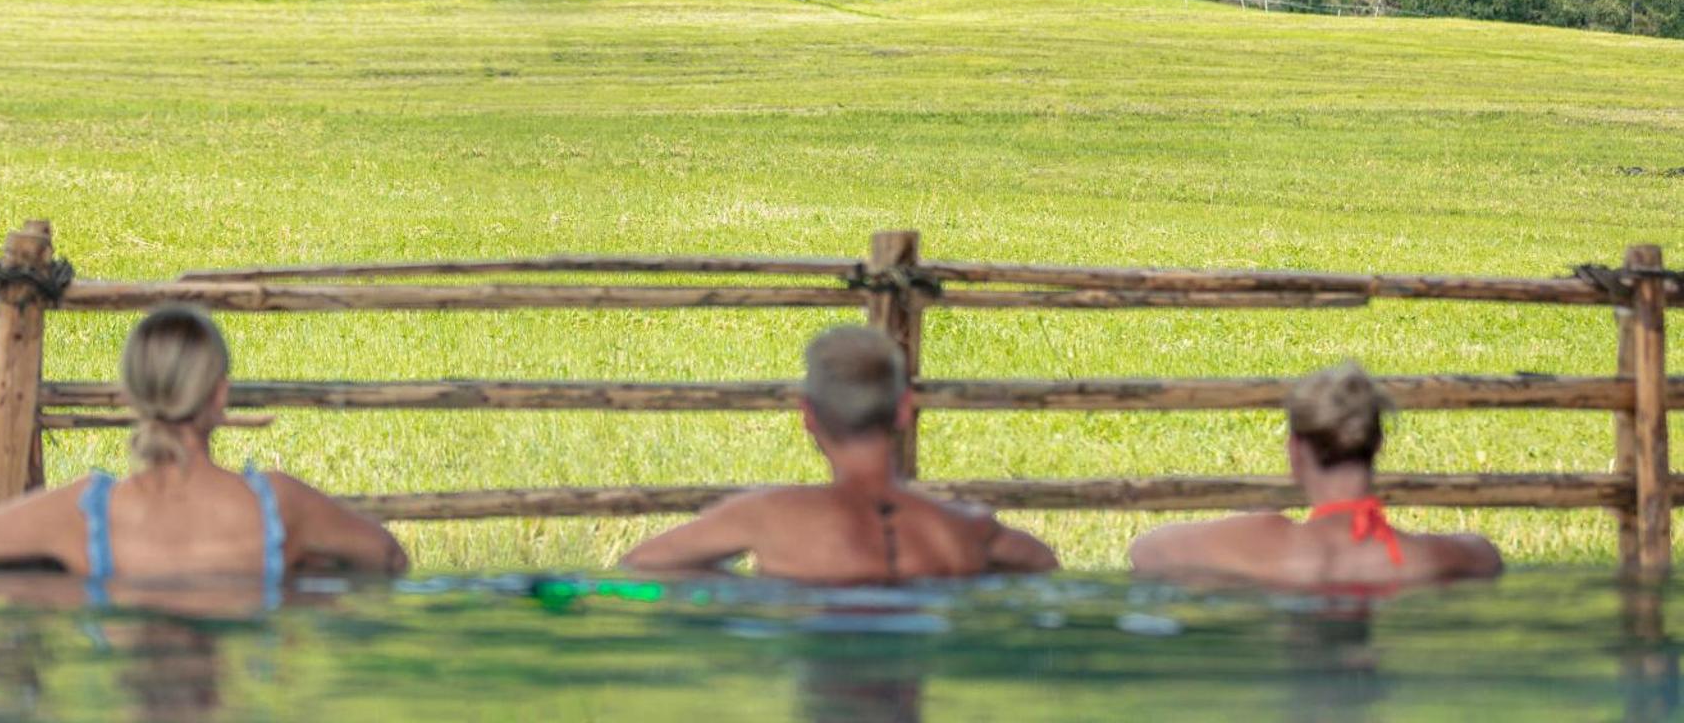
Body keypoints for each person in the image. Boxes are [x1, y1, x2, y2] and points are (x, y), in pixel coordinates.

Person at [0, 305, 407, 581]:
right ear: (220, 395)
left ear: (132, 396)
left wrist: (58, 595)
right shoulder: (279, 508)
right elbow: (388, 559)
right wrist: (297, 589)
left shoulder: (85, 514)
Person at [622, 325, 1058, 581]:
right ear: (904, 409)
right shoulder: (966, 529)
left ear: (808, 415)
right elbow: (1040, 560)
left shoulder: (768, 517)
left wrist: (743, 591)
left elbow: (642, 564)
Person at [1129, 361, 1502, 587]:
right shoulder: (1428, 558)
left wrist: (1253, 530)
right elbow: (1486, 554)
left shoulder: (1262, 545)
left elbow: (1145, 551)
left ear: (1295, 451)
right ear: (1377, 444)